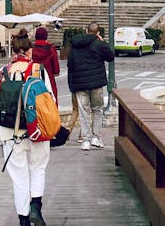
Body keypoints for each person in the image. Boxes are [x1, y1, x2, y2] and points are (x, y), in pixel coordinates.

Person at [0, 28, 53, 226]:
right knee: (38, 169)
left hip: (11, 132)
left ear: (13, 51)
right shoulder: (38, 70)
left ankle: (24, 222)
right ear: (30, 51)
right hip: (36, 131)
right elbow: (49, 100)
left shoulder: (3, 72)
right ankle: (36, 205)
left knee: (19, 178)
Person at [67, 22, 114, 151]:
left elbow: (70, 64)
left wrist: (72, 84)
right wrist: (103, 42)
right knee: (97, 110)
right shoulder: (99, 44)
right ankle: (96, 137)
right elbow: (110, 57)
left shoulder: (75, 45)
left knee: (83, 112)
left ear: (86, 30)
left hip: (80, 83)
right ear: (97, 33)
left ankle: (85, 141)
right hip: (96, 83)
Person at [31, 26, 60, 101]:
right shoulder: (51, 49)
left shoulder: (31, 50)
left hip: (34, 79)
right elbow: (56, 69)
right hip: (49, 79)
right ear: (46, 36)